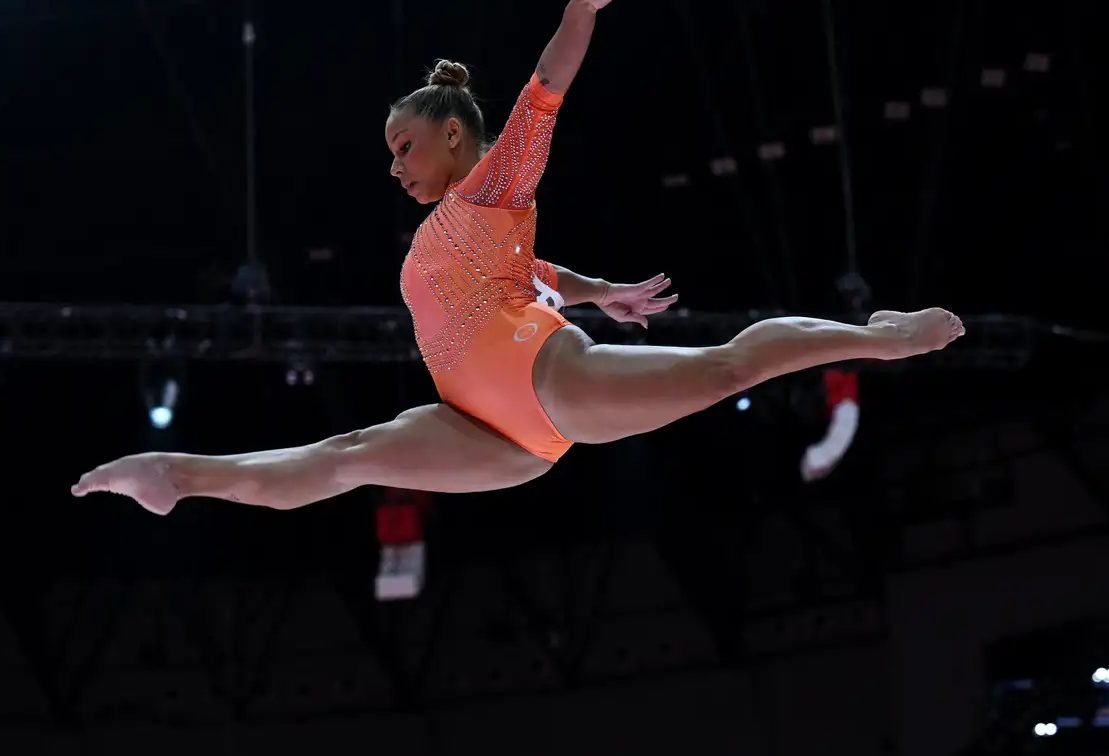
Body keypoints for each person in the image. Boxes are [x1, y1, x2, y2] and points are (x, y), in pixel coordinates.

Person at [72, 0, 963, 516]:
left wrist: (579, 10)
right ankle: (173, 477)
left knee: (732, 364)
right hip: (493, 434)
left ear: (453, 134)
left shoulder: (492, 186)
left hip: (542, 381)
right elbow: (527, 269)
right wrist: (596, 287)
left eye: (403, 147)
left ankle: (883, 338)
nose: (393, 167)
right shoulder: (467, 229)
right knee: (344, 456)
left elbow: (548, 87)